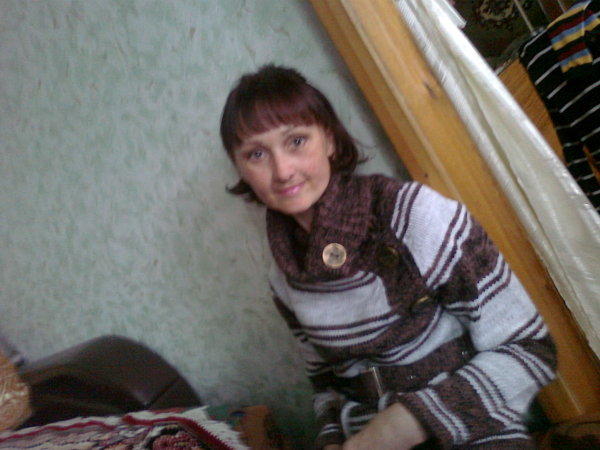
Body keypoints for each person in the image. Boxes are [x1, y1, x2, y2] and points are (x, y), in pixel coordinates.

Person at [219, 64, 557, 449]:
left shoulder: (412, 215)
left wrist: (399, 427)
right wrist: (332, 438)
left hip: (472, 428)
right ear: (240, 168)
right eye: (256, 154)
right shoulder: (282, 275)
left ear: (329, 140)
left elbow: (531, 349)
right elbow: (326, 382)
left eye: (296, 141)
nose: (282, 171)